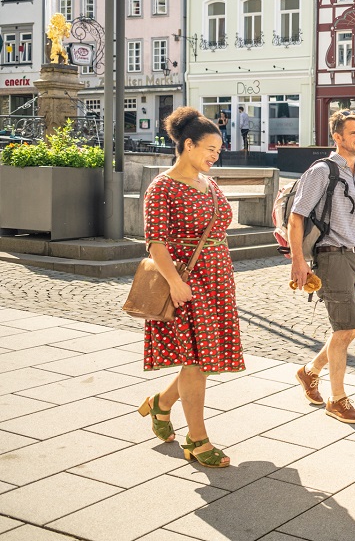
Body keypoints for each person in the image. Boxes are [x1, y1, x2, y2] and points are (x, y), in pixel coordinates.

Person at [138, 107, 242, 468]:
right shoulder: (162, 187)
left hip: (216, 279)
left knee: (205, 359)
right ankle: (197, 440)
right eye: (210, 149)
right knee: (197, 361)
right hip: (187, 281)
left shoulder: (208, 182)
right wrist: (175, 282)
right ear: (187, 145)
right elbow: (155, 243)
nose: (215, 156)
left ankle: (161, 404)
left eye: (218, 150)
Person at [290, 109, 355, 424]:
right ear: (337, 137)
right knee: (343, 331)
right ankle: (337, 400)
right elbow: (296, 217)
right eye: (353, 133)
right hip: (332, 255)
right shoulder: (321, 171)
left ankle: (309, 372)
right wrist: (299, 261)